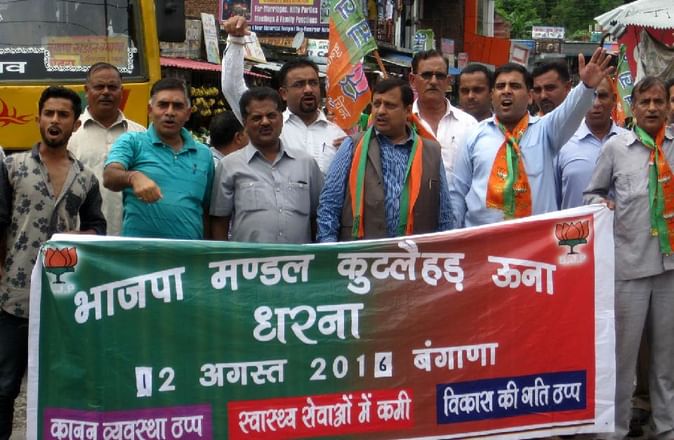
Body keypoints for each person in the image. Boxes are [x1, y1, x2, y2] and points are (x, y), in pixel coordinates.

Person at [0, 86, 106, 439]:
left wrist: (76, 237)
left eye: (63, 115)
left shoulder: (85, 179)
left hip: (62, 300)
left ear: (76, 124)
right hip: (13, 298)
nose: (55, 120)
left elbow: (98, 227)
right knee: (4, 385)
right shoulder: (12, 167)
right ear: (38, 118)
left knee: (60, 383)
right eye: (49, 113)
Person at [584, 76, 674, 440]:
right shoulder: (615, 148)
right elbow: (591, 193)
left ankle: (666, 427)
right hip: (627, 267)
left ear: (668, 106)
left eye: (658, 101)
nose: (652, 108)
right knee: (622, 359)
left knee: (666, 359)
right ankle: (615, 430)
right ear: (633, 107)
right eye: (645, 102)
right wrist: (602, 204)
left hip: (670, 268)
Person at [449, 48, 613, 228]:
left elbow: (570, 111)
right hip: (483, 238)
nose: (506, 91)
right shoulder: (473, 135)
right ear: (492, 96)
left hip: (536, 240)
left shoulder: (546, 130)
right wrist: (453, 236)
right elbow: (457, 192)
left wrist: (586, 87)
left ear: (529, 97)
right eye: (500, 86)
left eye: (515, 86)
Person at [317, 78, 453, 242]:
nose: (380, 111)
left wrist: (445, 250)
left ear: (408, 111)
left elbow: (444, 213)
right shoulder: (352, 146)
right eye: (376, 104)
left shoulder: (431, 152)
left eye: (390, 105)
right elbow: (329, 205)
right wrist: (328, 248)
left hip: (414, 253)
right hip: (361, 254)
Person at [220, 15, 345, 174]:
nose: (308, 89)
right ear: (283, 93)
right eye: (299, 84)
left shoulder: (338, 136)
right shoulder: (268, 126)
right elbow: (232, 87)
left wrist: (355, 148)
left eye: (313, 83)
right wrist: (236, 40)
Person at [103, 78, 214, 240]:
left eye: (178, 106)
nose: (170, 112)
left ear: (188, 113)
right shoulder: (132, 142)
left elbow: (207, 210)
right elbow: (109, 176)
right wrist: (133, 177)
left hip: (190, 252)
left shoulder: (204, 154)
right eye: (163, 105)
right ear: (150, 110)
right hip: (139, 252)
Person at [210, 87, 323, 243]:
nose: (265, 122)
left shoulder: (307, 164)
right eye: (257, 118)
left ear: (281, 119)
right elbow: (219, 222)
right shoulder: (229, 166)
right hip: (249, 258)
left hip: (299, 258)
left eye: (271, 116)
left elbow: (318, 216)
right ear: (245, 123)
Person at [68, 62, 145, 236]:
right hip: (83, 236)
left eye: (112, 87)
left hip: (129, 236)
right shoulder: (71, 133)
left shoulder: (140, 134)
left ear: (121, 91)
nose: (106, 92)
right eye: (99, 87)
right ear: (86, 90)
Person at [556, 76, 626, 209]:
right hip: (575, 223)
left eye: (603, 96)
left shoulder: (630, 142)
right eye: (591, 96)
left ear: (614, 99)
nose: (596, 103)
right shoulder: (563, 144)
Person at [409, 49, 477, 181]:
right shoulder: (402, 123)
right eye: (427, 75)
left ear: (448, 81)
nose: (433, 81)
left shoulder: (469, 125)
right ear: (412, 80)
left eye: (440, 76)